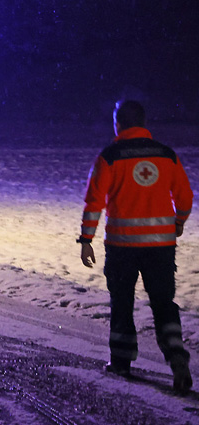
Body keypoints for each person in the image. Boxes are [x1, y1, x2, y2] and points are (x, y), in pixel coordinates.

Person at [79, 100, 193, 393]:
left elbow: (94, 202)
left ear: (118, 123)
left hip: (122, 246)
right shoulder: (167, 155)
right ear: (143, 122)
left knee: (122, 303)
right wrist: (178, 222)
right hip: (161, 247)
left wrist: (86, 239)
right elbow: (185, 197)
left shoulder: (110, 156)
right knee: (163, 304)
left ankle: (121, 362)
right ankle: (177, 357)